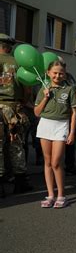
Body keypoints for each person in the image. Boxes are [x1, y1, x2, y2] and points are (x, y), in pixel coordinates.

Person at [34, 61, 76, 208]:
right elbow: (36, 112)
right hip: (45, 125)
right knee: (47, 162)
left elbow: (74, 113)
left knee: (56, 162)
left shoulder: (70, 89)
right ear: (48, 73)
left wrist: (72, 132)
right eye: (55, 72)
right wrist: (46, 97)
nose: (57, 75)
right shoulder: (44, 88)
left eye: (60, 73)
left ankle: (61, 195)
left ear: (65, 74)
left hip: (61, 126)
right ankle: (50, 195)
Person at [0, 34, 32, 193]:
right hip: (16, 108)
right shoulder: (19, 63)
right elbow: (28, 89)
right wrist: (23, 102)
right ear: (10, 47)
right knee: (17, 145)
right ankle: (20, 182)